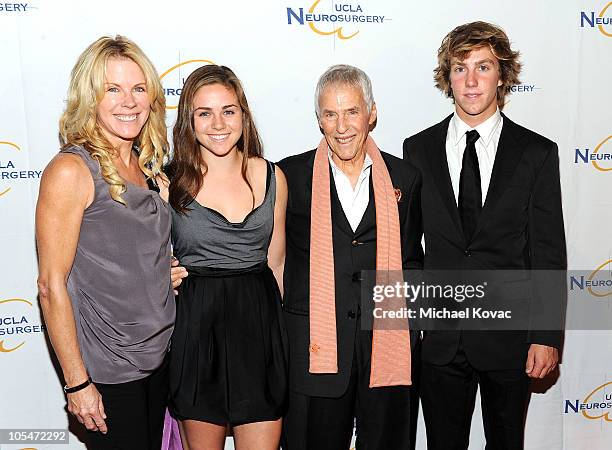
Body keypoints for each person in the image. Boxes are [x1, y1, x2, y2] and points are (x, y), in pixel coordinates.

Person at [403, 21, 566, 449]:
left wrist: (546, 336)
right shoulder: (417, 150)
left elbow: (548, 251)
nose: (471, 80)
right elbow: (408, 248)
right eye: (460, 68)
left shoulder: (536, 152)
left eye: (483, 67)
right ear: (448, 78)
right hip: (441, 340)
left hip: (510, 340)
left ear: (502, 74)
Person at [36, 36, 187, 450]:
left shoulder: (145, 167)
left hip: (160, 358)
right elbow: (51, 286)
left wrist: (161, 274)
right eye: (112, 89)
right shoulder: (71, 171)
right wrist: (77, 383)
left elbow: (121, 254)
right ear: (91, 98)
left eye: (138, 88)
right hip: (109, 371)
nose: (129, 101)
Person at [278, 64, 423, 450]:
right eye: (330, 114)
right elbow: (270, 257)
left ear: (371, 113)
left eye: (351, 112)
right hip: (315, 348)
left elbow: (411, 259)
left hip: (385, 347)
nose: (341, 126)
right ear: (319, 120)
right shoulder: (289, 176)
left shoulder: (404, 177)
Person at [162, 64, 288, 450]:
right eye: (204, 113)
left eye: (228, 111)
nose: (218, 123)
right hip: (197, 332)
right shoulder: (167, 182)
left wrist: (279, 342)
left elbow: (277, 263)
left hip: (260, 332)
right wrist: (159, 276)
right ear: (189, 121)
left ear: (243, 115)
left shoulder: (273, 177)